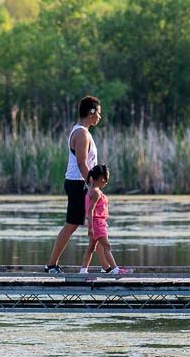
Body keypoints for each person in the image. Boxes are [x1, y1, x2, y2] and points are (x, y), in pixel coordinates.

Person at [44, 95, 102, 273]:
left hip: (79, 183)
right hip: (78, 184)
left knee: (95, 222)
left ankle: (108, 266)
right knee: (72, 224)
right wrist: (92, 186)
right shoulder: (82, 134)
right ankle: (51, 265)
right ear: (91, 113)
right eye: (98, 113)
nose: (100, 117)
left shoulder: (82, 131)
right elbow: (82, 163)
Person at [78, 164, 130, 274]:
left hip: (96, 224)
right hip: (97, 224)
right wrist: (91, 228)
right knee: (107, 246)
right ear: (101, 178)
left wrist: (90, 227)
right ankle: (115, 270)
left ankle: (83, 270)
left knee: (90, 248)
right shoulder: (96, 192)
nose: (105, 182)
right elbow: (91, 210)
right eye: (105, 180)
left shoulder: (90, 190)